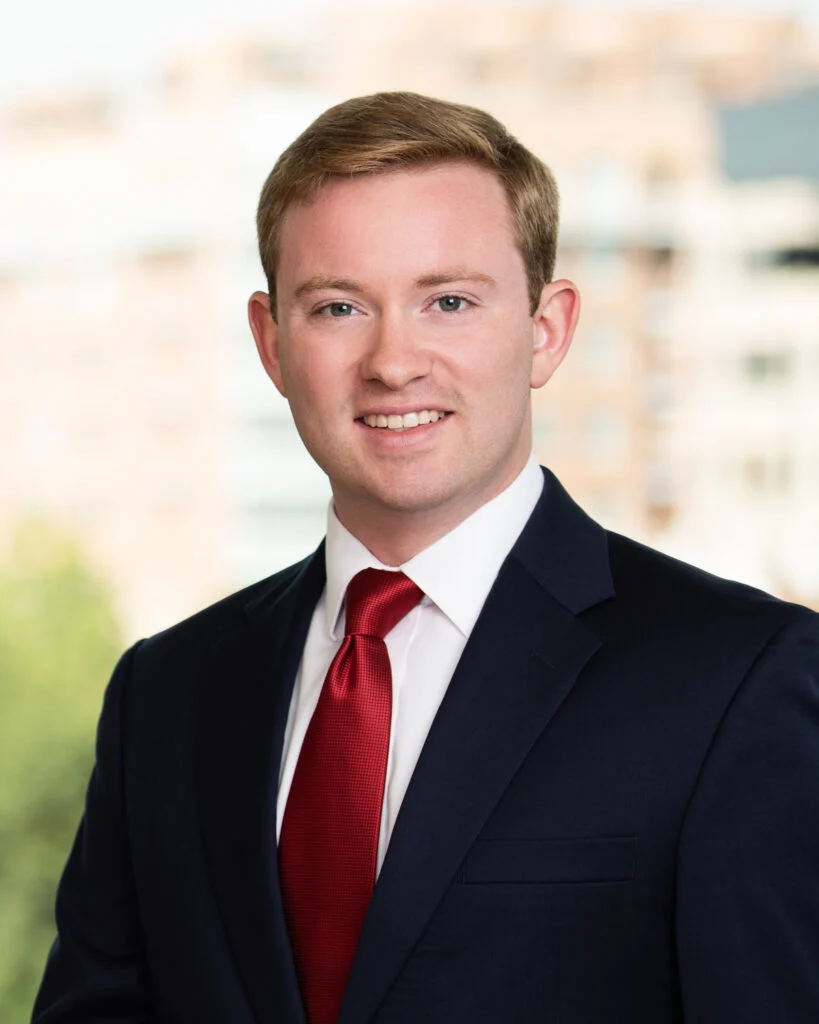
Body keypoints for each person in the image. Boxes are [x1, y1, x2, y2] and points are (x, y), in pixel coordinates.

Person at [33, 91, 819, 1024]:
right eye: (338, 307)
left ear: (546, 330)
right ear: (271, 343)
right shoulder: (166, 693)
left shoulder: (737, 678)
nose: (393, 362)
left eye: (448, 302)